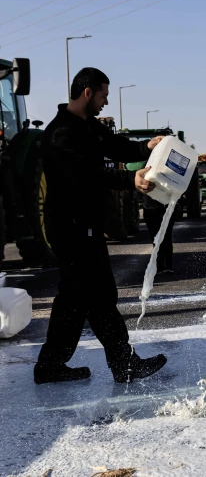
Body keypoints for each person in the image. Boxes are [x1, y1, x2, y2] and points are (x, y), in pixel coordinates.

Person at [34, 67, 167, 384]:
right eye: (104, 94)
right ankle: (123, 364)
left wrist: (146, 146)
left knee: (74, 298)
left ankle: (51, 364)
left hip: (83, 225)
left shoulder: (86, 126)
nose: (106, 101)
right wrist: (129, 180)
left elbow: (115, 145)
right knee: (99, 296)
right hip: (70, 227)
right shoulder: (60, 133)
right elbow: (85, 175)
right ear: (87, 92)